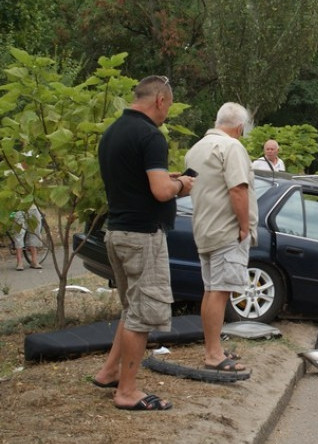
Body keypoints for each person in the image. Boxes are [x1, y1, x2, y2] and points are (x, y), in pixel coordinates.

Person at [93, 75, 194, 411]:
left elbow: (138, 181)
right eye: (168, 106)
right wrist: (182, 186)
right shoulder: (151, 135)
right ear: (160, 101)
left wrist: (171, 178)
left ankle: (108, 372)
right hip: (142, 236)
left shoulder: (112, 133)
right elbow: (160, 191)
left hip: (117, 231)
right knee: (142, 315)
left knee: (131, 308)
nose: (166, 113)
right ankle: (127, 391)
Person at [185, 102, 257, 373]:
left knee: (211, 290)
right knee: (220, 291)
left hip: (204, 227)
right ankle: (214, 355)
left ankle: (211, 347)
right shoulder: (232, 147)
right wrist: (243, 226)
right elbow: (238, 189)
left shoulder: (196, 148)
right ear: (240, 127)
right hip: (227, 229)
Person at [11, 204, 43, 270]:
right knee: (19, 234)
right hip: (18, 208)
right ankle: (19, 262)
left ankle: (34, 261)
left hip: (33, 208)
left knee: (34, 232)